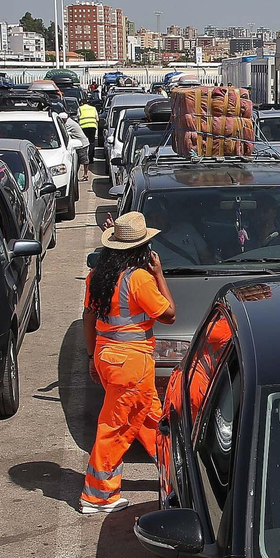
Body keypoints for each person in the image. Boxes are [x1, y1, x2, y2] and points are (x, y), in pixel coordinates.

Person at [81, 212, 177, 514]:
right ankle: (97, 497)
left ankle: (177, 473)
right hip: (132, 363)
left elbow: (88, 318)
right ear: (142, 249)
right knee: (116, 427)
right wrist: (159, 274)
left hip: (107, 357)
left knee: (152, 420)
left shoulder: (97, 276)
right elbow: (169, 314)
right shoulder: (140, 279)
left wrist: (91, 357)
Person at [77, 100, 100, 180]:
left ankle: (85, 157)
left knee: (85, 143)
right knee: (92, 142)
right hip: (92, 126)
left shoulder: (80, 108)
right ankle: (90, 158)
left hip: (83, 127)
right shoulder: (93, 108)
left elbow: (78, 117)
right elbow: (97, 119)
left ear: (81, 103)